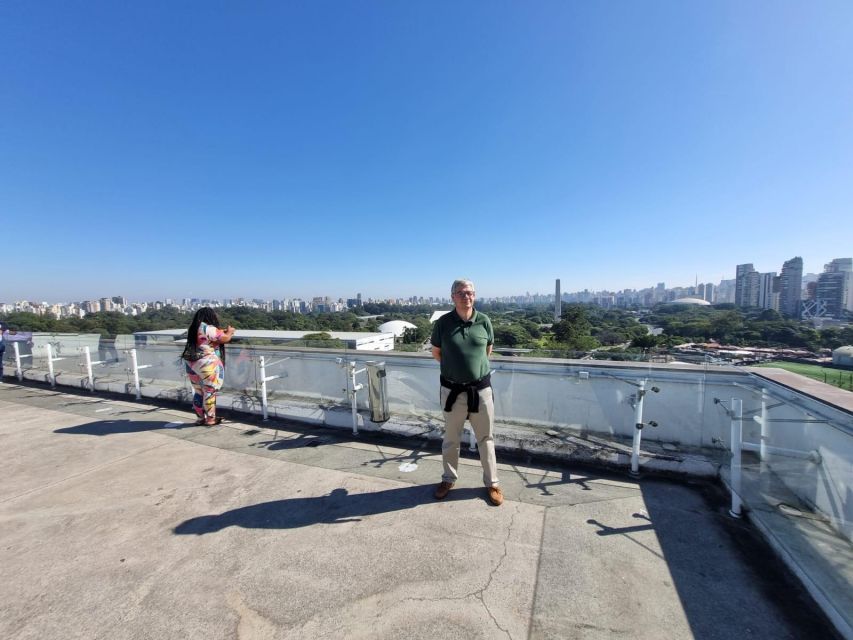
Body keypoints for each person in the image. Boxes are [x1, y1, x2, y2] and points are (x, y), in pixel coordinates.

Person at [430, 279, 502, 506]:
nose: (465, 296)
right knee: (451, 439)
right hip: (452, 391)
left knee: (486, 438)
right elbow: (437, 353)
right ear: (452, 297)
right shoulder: (443, 323)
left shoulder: (484, 321)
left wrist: (472, 372)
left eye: (469, 292)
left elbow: (487, 351)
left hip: (480, 391)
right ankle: (448, 479)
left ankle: (492, 483)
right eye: (460, 293)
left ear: (475, 296)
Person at [181, 308, 235, 426]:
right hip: (207, 364)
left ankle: (200, 418)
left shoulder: (193, 328)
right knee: (209, 391)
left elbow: (210, 336)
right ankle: (210, 419)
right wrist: (230, 332)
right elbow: (224, 338)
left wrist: (222, 331)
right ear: (210, 316)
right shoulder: (208, 328)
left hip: (191, 363)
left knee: (198, 391)